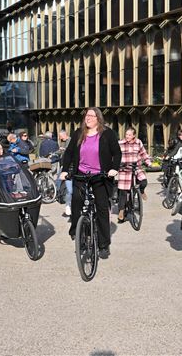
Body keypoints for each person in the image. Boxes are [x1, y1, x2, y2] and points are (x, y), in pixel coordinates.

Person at [60, 108, 122, 259]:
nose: (87, 118)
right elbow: (68, 153)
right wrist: (64, 170)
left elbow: (117, 153)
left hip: (101, 176)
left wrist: (114, 169)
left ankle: (103, 244)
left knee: (101, 208)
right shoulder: (78, 133)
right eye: (86, 115)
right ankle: (77, 231)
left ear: (98, 118)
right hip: (81, 174)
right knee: (76, 201)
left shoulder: (107, 134)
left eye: (91, 116)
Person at [117, 127, 152, 223]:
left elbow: (143, 153)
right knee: (123, 192)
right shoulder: (120, 143)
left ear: (133, 135)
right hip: (124, 169)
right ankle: (121, 211)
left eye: (129, 135)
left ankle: (141, 191)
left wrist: (148, 162)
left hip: (136, 167)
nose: (127, 136)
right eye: (126, 134)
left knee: (144, 181)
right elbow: (115, 154)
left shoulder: (138, 142)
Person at [57, 130, 73, 216]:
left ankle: (59, 194)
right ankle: (66, 203)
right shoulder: (63, 142)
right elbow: (62, 152)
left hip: (73, 170)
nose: (59, 138)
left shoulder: (70, 141)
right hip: (67, 168)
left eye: (60, 136)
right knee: (70, 190)